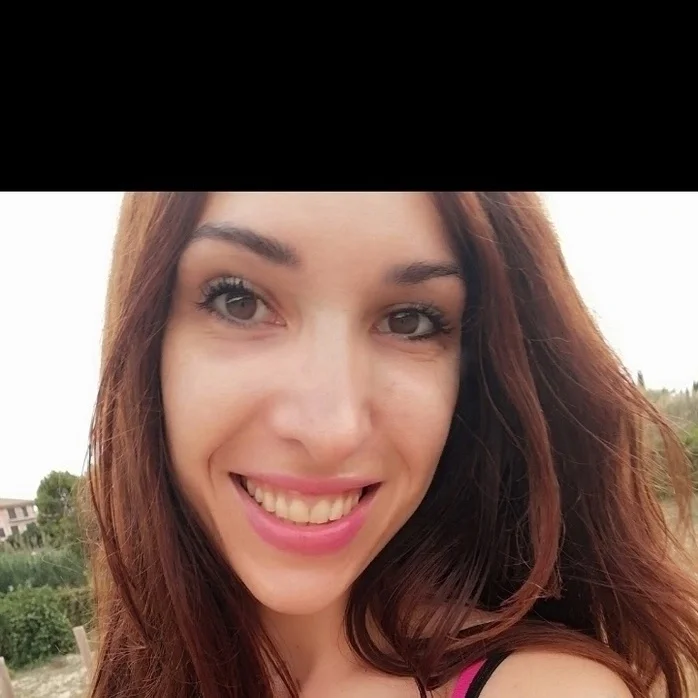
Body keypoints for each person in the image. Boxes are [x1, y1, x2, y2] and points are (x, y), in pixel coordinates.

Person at [85, 192, 698, 698]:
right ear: (148, 334)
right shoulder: (141, 674)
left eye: (409, 320)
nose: (331, 430)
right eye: (239, 300)